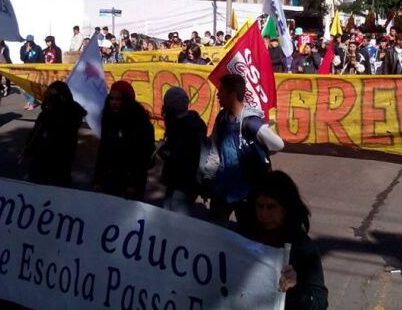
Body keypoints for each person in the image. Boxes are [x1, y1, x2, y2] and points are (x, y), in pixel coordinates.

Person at [209, 74, 284, 230]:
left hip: (248, 193)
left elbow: (278, 144)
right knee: (215, 232)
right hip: (223, 188)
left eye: (221, 91)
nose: (218, 95)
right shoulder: (221, 118)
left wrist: (258, 149)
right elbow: (215, 150)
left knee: (249, 234)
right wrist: (208, 177)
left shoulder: (251, 122)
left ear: (233, 95)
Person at [247, 171, 329, 310]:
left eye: (271, 206)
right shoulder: (246, 236)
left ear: (286, 208)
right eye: (260, 206)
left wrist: (294, 288)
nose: (264, 214)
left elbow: (319, 303)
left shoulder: (303, 248)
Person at [93, 80, 155, 201]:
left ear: (127, 101)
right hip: (110, 178)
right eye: (111, 99)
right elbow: (103, 150)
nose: (114, 103)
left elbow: (143, 156)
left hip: (130, 183)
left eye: (118, 99)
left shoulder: (140, 122)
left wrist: (133, 184)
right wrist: (97, 179)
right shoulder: (108, 118)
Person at [22, 81, 86, 187]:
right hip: (40, 161)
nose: (49, 97)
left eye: (52, 94)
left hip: (60, 160)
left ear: (62, 96)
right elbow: (36, 132)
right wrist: (27, 148)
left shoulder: (71, 113)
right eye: (48, 94)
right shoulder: (46, 113)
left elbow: (67, 136)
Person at [159, 87, 207, 215]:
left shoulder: (183, 127)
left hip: (183, 182)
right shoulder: (191, 122)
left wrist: (163, 151)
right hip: (184, 182)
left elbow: (179, 157)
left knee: (175, 218)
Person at [20, 34, 43, 111]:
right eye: (28, 41)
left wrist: (40, 69)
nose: (29, 43)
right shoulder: (23, 48)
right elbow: (22, 58)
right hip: (26, 69)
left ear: (33, 41)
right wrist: (26, 51)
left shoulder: (38, 48)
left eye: (31, 41)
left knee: (32, 86)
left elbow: (41, 59)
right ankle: (29, 101)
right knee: (23, 88)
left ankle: (31, 103)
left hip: (35, 70)